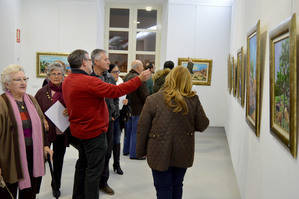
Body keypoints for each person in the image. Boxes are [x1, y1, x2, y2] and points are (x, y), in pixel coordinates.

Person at [62, 49, 151, 199]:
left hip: (79, 132)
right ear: (84, 62)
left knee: (82, 166)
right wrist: (139, 79)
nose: (90, 63)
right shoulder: (89, 81)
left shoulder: (68, 80)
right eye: (89, 60)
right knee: (93, 172)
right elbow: (117, 91)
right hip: (93, 134)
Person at [136, 66, 209, 199]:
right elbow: (203, 125)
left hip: (158, 150)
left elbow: (142, 128)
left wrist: (141, 151)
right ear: (188, 81)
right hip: (183, 150)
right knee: (177, 185)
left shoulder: (153, 99)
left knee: (163, 187)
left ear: (169, 79)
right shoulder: (193, 100)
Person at [0, 64, 53, 199]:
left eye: (25, 79)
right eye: (18, 80)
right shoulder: (2, 103)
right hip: (10, 158)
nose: (23, 83)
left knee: (29, 194)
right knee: (8, 193)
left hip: (33, 156)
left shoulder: (31, 99)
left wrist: (46, 145)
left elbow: (42, 125)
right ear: (7, 84)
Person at [35, 62, 69, 198]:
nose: (56, 76)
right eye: (53, 74)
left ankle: (56, 185)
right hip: (47, 133)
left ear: (63, 75)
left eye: (59, 73)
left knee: (59, 160)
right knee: (44, 159)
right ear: (48, 76)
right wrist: (42, 119)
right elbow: (36, 111)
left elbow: (75, 107)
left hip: (61, 131)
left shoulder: (67, 91)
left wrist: (69, 110)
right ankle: (35, 188)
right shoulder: (41, 93)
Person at [90, 49, 117, 195]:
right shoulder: (89, 78)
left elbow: (115, 97)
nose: (108, 62)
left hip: (109, 122)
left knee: (107, 153)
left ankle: (103, 182)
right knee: (94, 155)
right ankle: (92, 184)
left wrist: (115, 114)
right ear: (96, 61)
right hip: (95, 123)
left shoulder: (110, 78)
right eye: (106, 59)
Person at [123, 60, 149, 159]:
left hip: (128, 108)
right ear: (138, 67)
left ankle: (126, 150)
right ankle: (134, 153)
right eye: (142, 67)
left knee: (128, 131)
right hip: (138, 109)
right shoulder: (139, 79)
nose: (143, 69)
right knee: (137, 132)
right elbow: (144, 95)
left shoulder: (126, 77)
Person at [108, 64, 127, 175]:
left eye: (118, 71)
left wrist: (126, 101)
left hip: (118, 116)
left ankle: (117, 164)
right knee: (108, 143)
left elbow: (124, 96)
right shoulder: (107, 83)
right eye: (114, 72)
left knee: (117, 141)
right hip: (109, 117)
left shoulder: (120, 81)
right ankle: (105, 166)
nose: (117, 74)